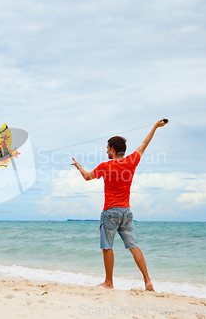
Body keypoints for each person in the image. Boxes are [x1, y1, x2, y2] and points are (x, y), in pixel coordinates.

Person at [71, 119, 168, 291]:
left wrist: (78, 166)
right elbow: (145, 143)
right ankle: (147, 281)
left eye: (107, 148)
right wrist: (155, 127)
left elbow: (87, 177)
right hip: (126, 212)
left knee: (107, 247)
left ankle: (108, 283)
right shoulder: (132, 161)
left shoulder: (105, 166)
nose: (106, 151)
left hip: (110, 212)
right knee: (133, 245)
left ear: (113, 149)